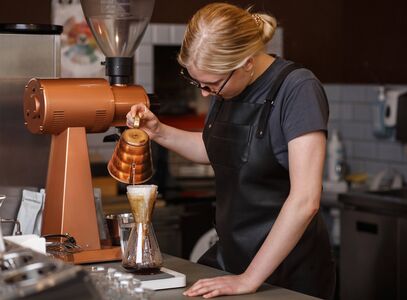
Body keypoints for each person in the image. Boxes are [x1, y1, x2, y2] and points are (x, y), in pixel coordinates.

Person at [127, 2, 335, 299]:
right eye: (196, 81)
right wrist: (158, 131)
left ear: (247, 63)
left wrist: (249, 279)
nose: (203, 93)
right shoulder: (228, 85)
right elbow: (216, 150)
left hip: (287, 270)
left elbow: (306, 200)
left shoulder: (297, 89)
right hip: (233, 259)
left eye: (210, 85)